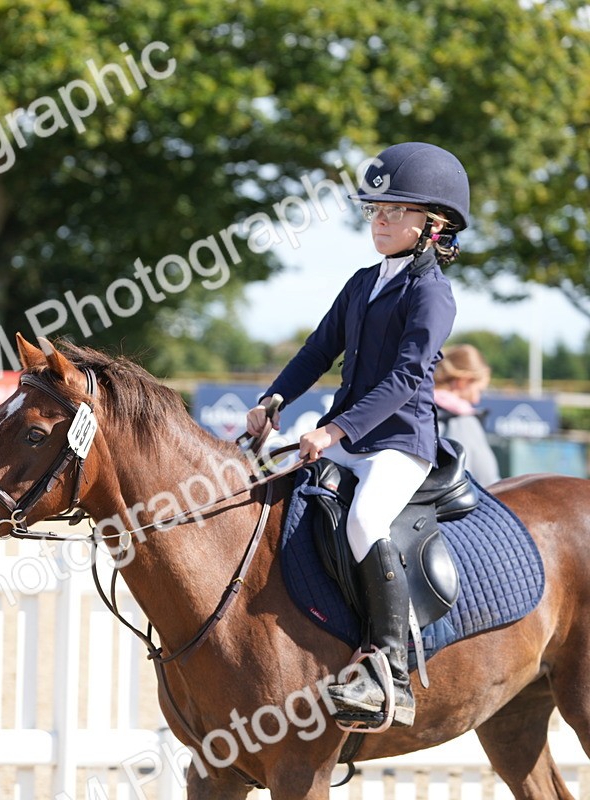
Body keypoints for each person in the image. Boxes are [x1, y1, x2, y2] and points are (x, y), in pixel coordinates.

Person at [245, 142, 470, 729]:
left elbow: (405, 377)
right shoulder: (362, 281)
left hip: (401, 442)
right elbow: (319, 349)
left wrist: (335, 428)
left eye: (395, 211)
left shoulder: (431, 293)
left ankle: (389, 666)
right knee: (274, 488)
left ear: (434, 225)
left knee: (366, 520)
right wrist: (274, 399)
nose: (380, 220)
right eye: (375, 210)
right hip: (349, 434)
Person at [434, 343, 501, 485]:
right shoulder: (463, 419)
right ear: (462, 382)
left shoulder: (417, 406)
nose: (476, 400)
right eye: (478, 391)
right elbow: (487, 479)